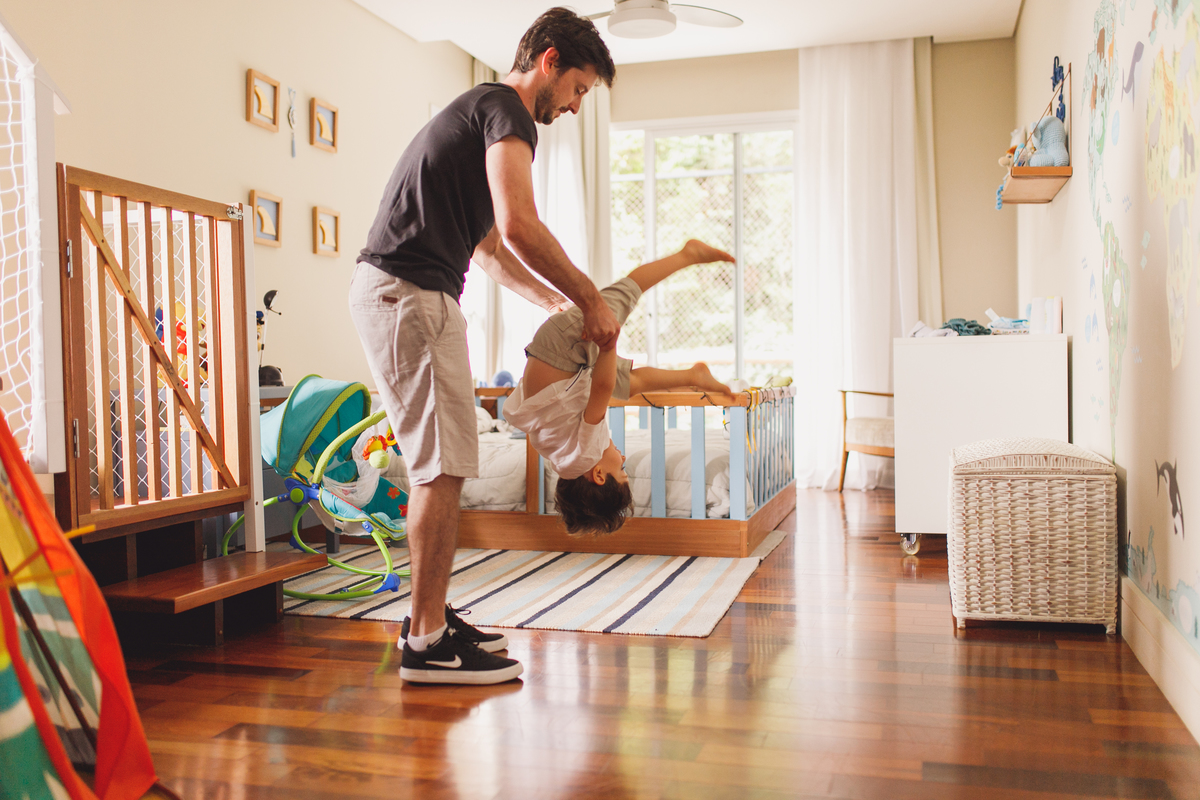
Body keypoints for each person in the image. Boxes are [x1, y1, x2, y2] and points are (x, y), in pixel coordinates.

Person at [350, 8, 616, 685]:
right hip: (410, 293)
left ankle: (428, 616)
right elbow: (520, 225)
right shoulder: (506, 109)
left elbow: (493, 251)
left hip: (410, 291)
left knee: (444, 464)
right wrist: (589, 298)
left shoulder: (480, 116)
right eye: (580, 88)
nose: (577, 106)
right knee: (441, 469)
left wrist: (554, 302)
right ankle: (426, 642)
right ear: (550, 62)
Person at [503, 240, 735, 534]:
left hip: (564, 347)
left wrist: (609, 344)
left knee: (625, 294)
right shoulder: (563, 460)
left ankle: (687, 255)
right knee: (629, 384)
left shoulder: (586, 454)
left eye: (621, 471)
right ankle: (692, 376)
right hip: (563, 363)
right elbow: (600, 390)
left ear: (598, 475)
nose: (623, 459)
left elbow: (601, 389)